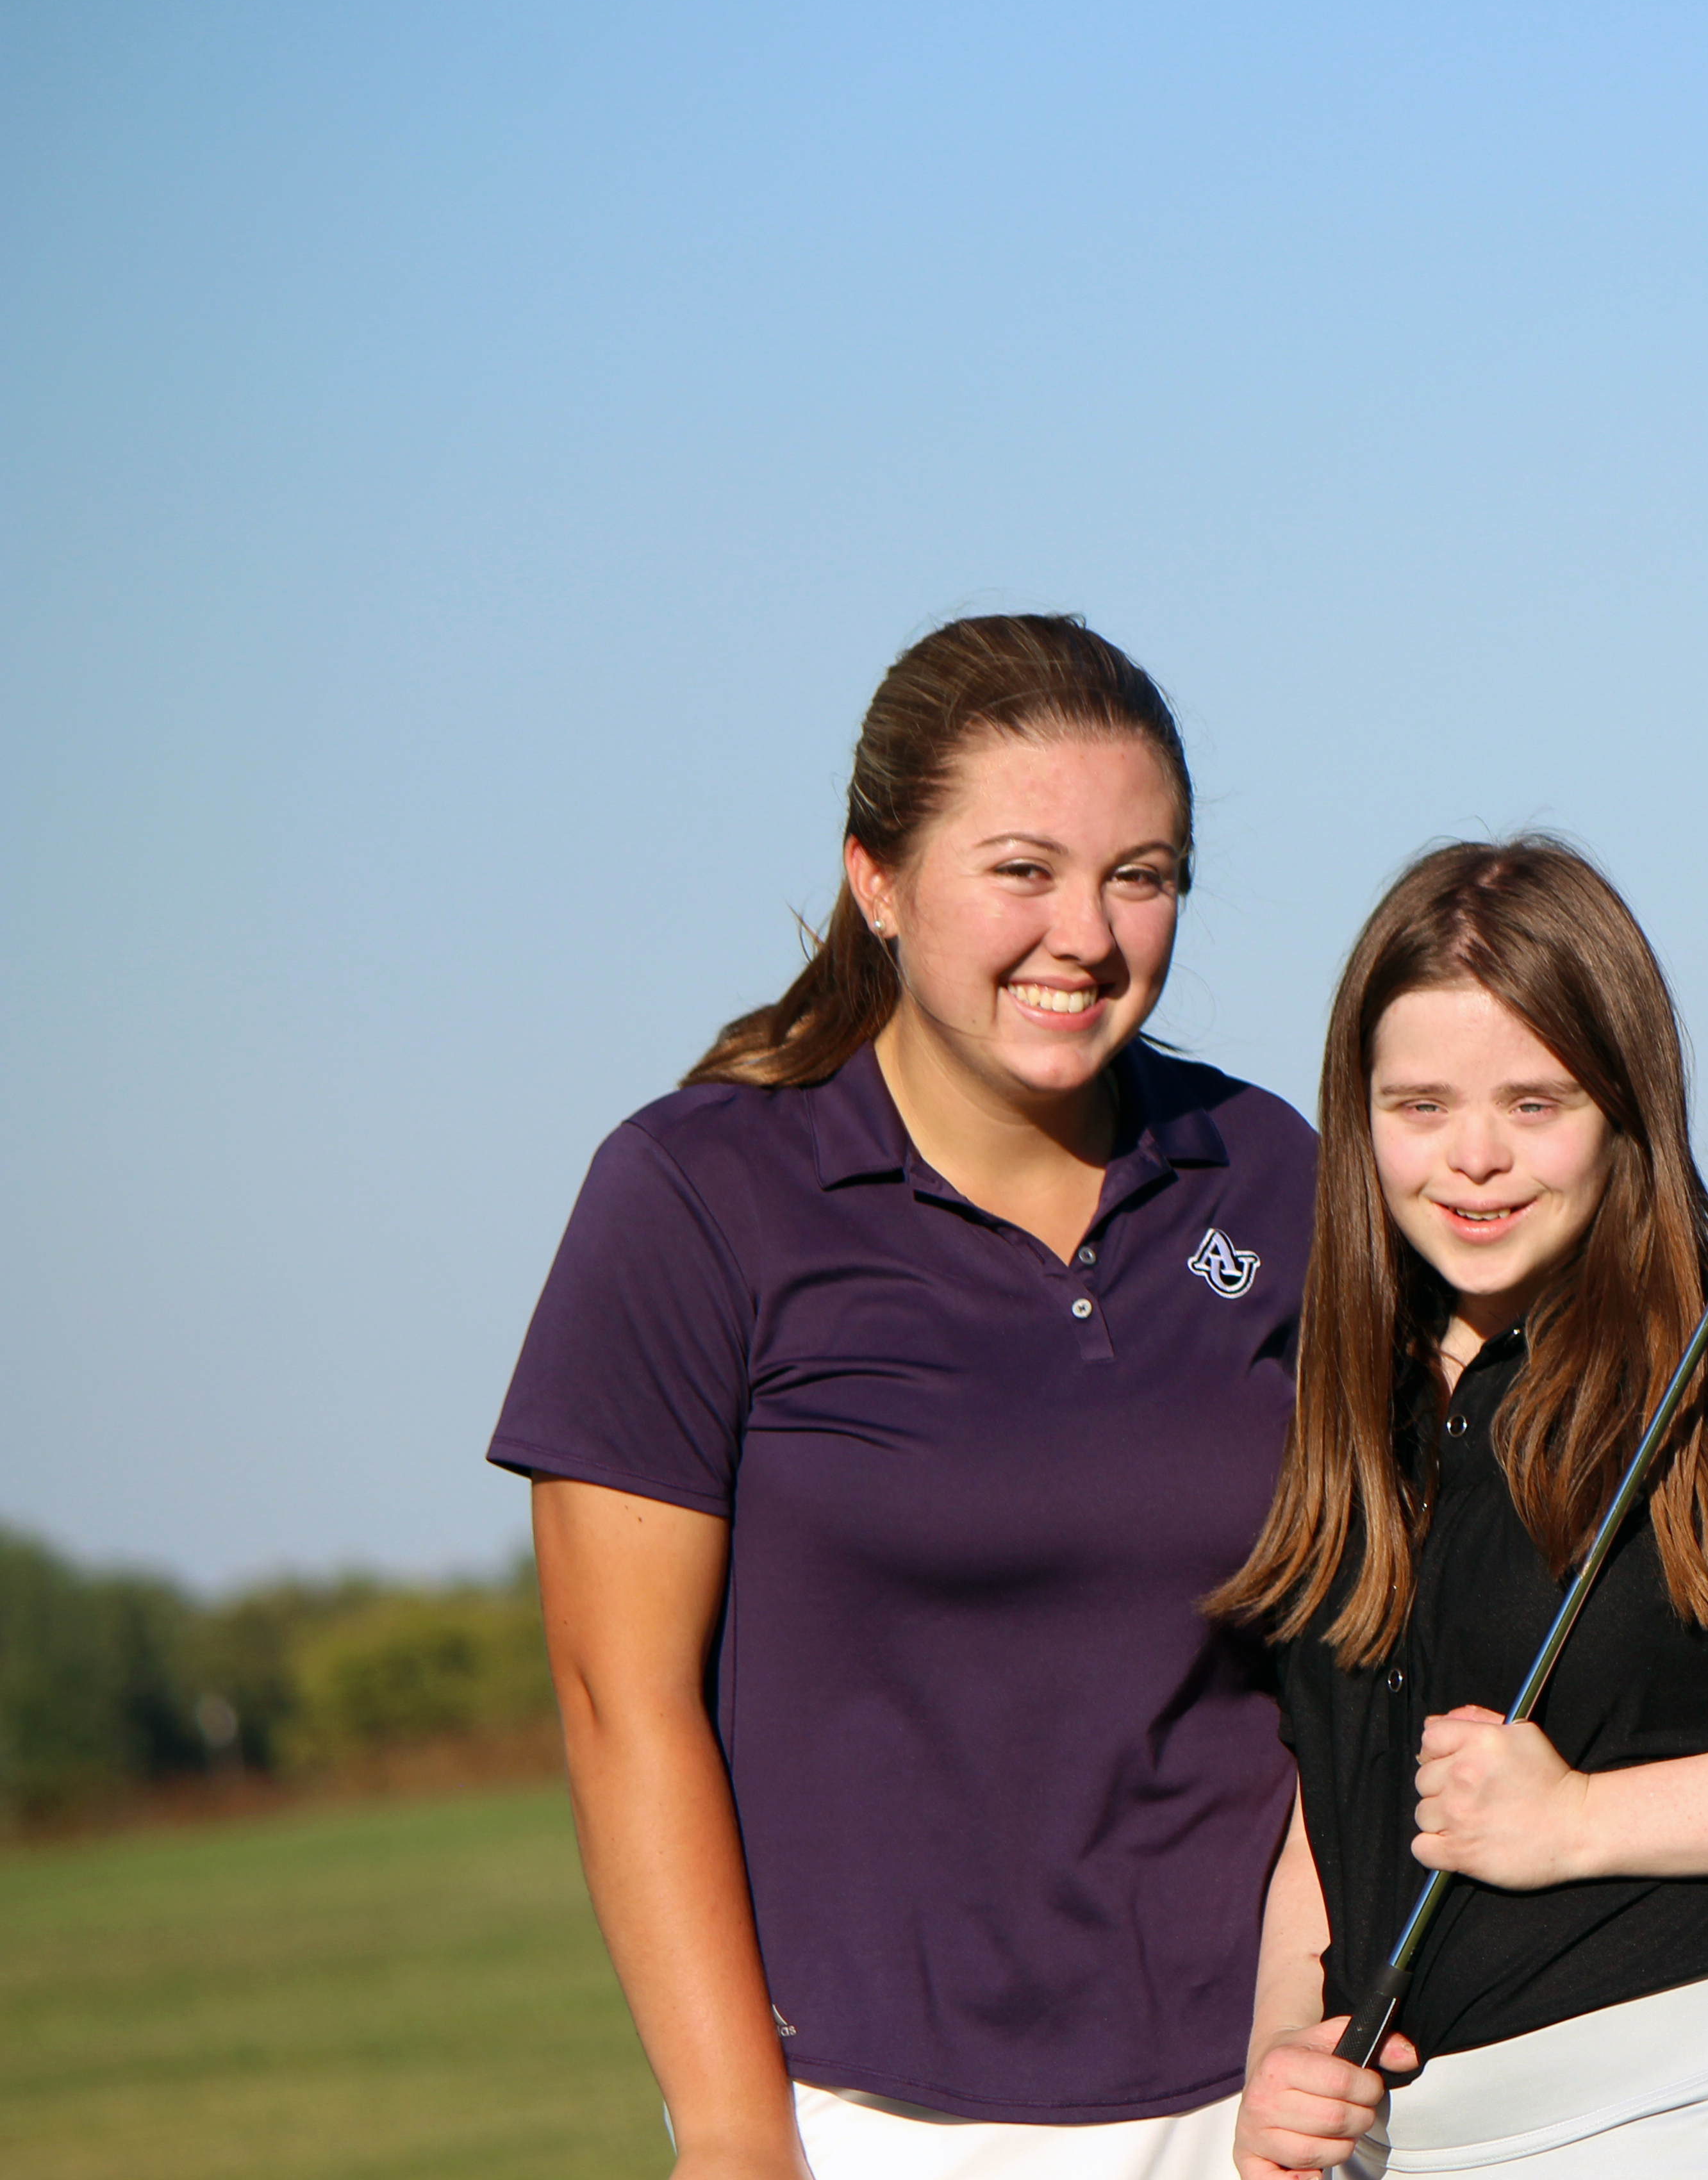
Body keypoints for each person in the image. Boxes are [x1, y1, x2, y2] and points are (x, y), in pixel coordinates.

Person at [492, 615, 1311, 2180]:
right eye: (1023, 869)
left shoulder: (1273, 1176)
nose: (1086, 931)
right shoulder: (695, 1193)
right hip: (870, 2118)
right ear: (878, 880)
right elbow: (622, 1700)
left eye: (1142, 875)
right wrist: (737, 2127)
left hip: (1255, 2107)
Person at [1211, 838, 1708, 2177]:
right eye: (1420, 1107)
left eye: (1537, 1104)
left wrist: (1581, 1819)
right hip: (1412, 2145)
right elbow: (1338, 1798)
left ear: (1627, 1105)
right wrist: (1280, 2052)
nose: (1474, 1160)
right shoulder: (1342, 1409)